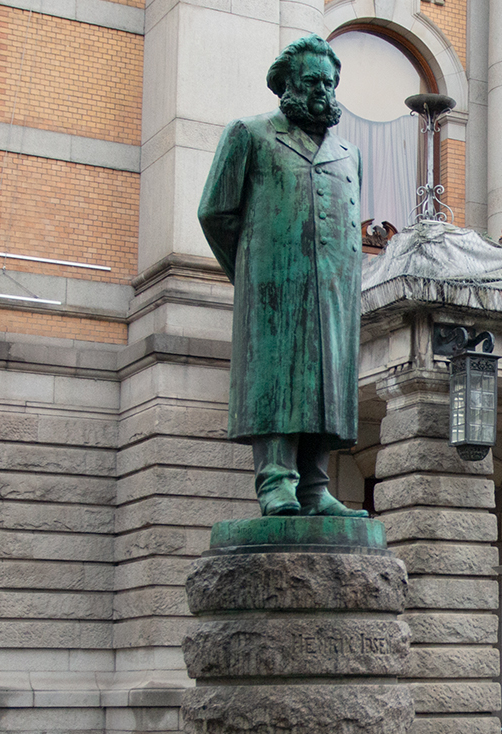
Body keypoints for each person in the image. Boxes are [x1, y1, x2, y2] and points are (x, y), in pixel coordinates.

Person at [198, 35, 368, 519]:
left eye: (330, 83)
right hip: (272, 287)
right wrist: (253, 273)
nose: (323, 91)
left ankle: (315, 487)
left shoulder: (350, 154)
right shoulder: (248, 134)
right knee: (278, 380)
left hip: (333, 291)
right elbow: (215, 213)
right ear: (287, 84)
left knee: (327, 388)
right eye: (313, 81)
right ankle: (275, 483)